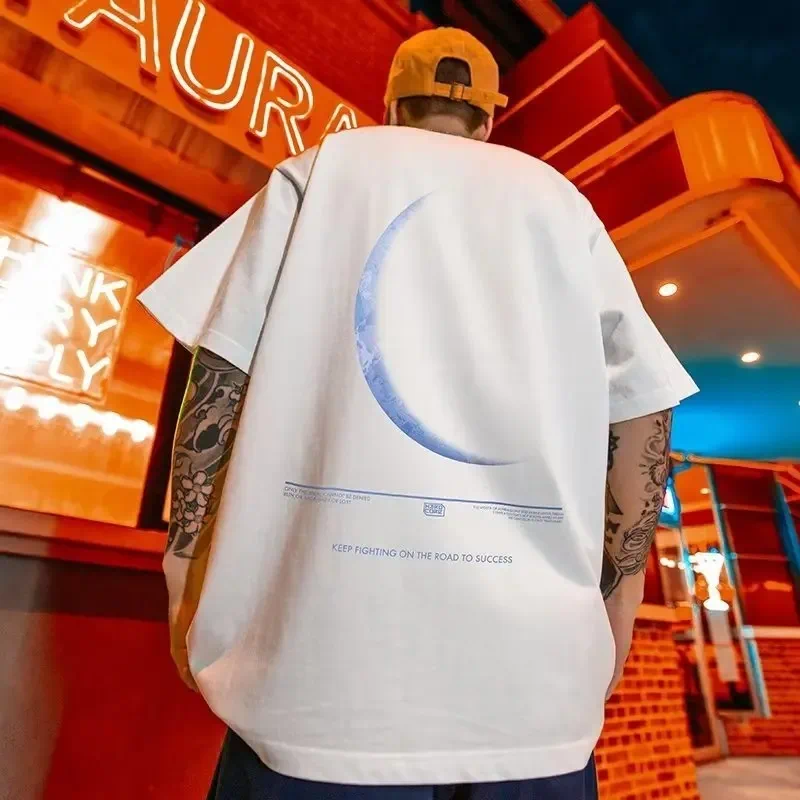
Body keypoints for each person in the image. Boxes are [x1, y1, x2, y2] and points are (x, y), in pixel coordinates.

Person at [139, 27, 698, 800]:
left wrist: (184, 570)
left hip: (318, 692)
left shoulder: (320, 172)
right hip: (532, 698)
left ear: (391, 103)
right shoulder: (559, 202)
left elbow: (219, 376)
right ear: (491, 116)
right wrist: (621, 597)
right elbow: (643, 410)